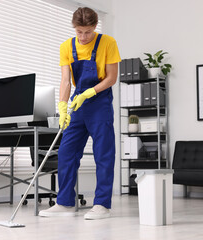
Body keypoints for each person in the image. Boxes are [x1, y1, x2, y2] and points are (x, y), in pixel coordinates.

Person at [39, 7, 121, 220]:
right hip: (78, 103)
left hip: (100, 101)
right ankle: (64, 202)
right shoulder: (66, 46)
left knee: (103, 154)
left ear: (95, 27)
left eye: (87, 32)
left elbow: (112, 78)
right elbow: (66, 80)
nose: (83, 37)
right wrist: (62, 106)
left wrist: (91, 92)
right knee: (66, 151)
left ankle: (102, 204)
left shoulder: (108, 43)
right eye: (79, 32)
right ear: (74, 29)